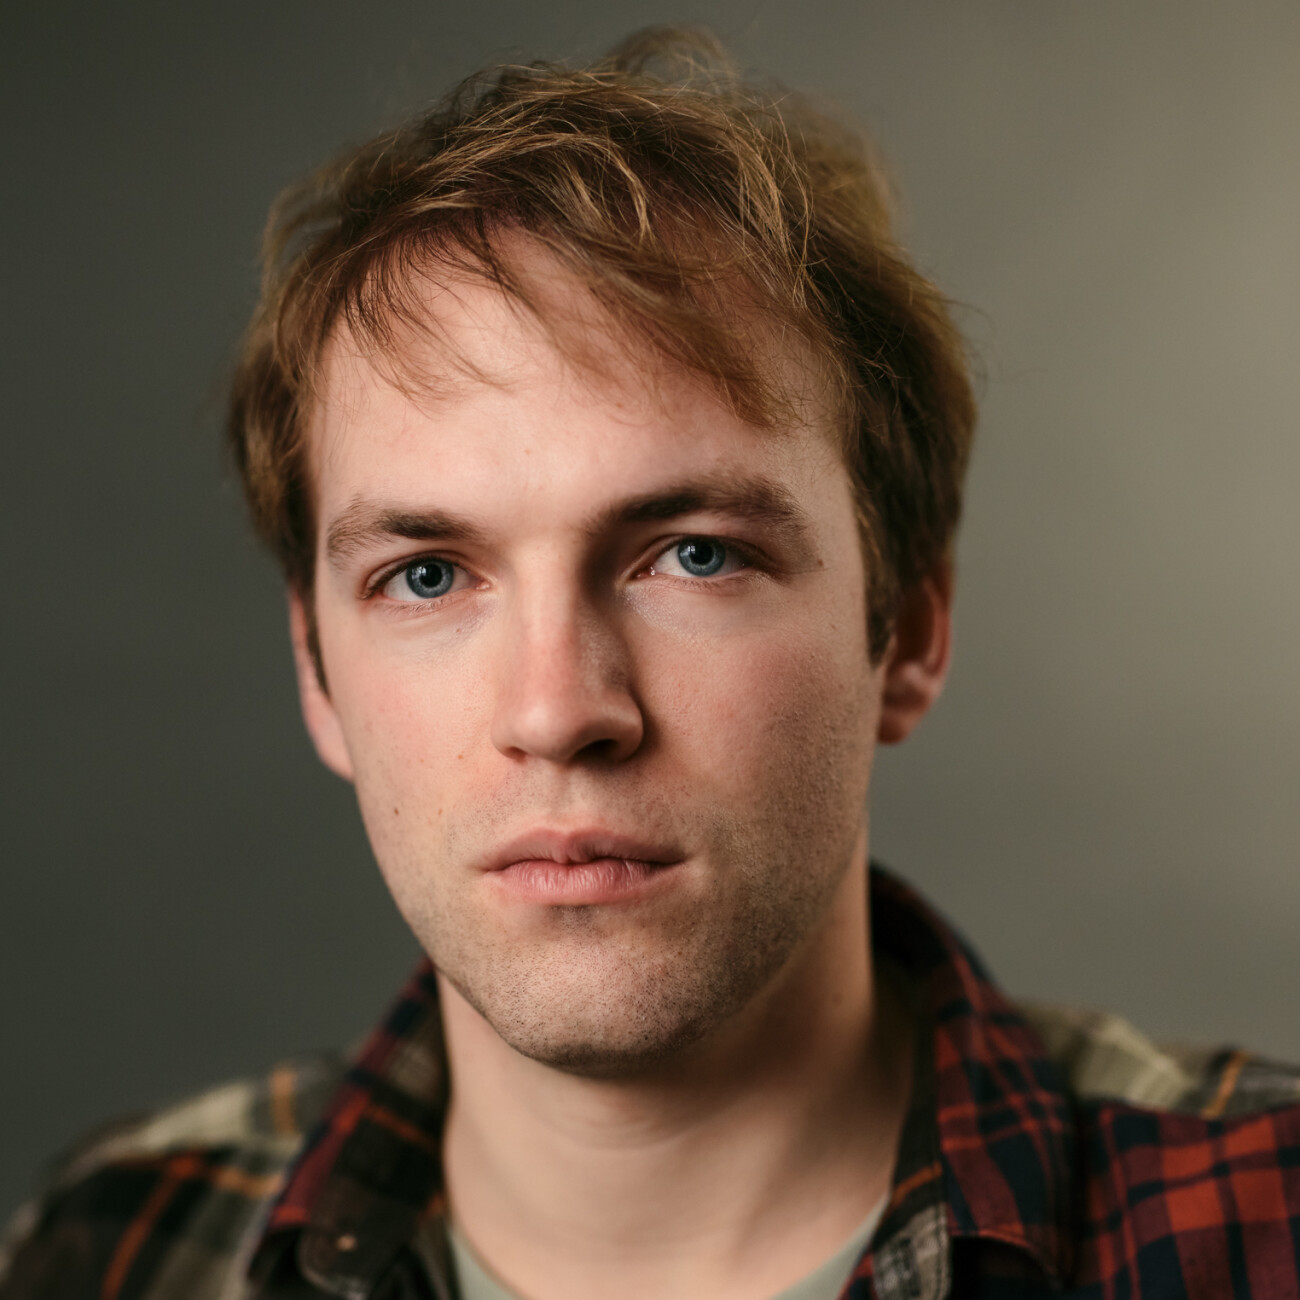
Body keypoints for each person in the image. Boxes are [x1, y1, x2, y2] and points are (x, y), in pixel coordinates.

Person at [3, 27, 1299, 1300]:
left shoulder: (1269, 1230)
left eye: (695, 556)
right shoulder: (111, 1253)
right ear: (315, 672)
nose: (557, 709)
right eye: (429, 575)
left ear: (906, 630)